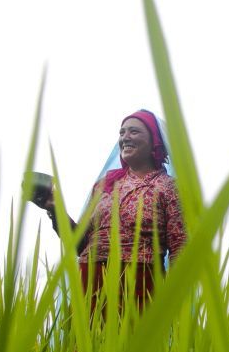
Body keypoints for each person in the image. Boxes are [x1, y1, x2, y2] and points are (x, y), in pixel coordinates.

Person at [41, 110, 187, 314]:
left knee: (133, 344)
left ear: (154, 140)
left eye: (134, 131)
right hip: (89, 280)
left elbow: (180, 248)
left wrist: (171, 301)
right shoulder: (104, 186)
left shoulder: (168, 187)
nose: (125, 137)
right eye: (122, 132)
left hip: (139, 284)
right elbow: (80, 244)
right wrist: (54, 208)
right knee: (84, 346)